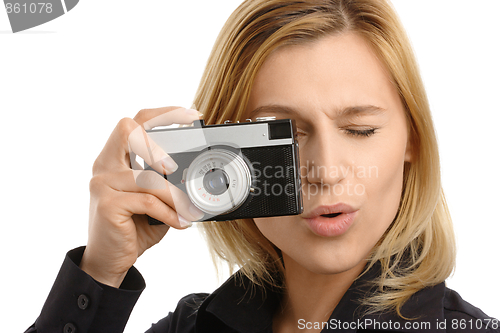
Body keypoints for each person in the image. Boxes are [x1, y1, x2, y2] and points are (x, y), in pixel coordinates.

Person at [25, 0, 499, 332]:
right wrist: (100, 274)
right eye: (283, 134)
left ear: (412, 140)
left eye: (360, 130)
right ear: (219, 148)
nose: (327, 171)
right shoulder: (191, 328)